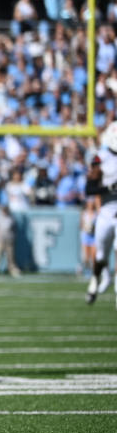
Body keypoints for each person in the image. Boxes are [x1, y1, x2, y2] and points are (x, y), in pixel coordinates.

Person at [84, 122, 117, 305]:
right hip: (105, 212)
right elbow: (88, 188)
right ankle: (96, 279)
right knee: (101, 257)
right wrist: (108, 187)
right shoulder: (100, 158)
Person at [0, 204, 21, 278]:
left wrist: (13, 237)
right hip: (0, 239)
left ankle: (13, 270)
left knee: (11, 256)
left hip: (9, 239)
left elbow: (15, 228)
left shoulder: (11, 217)